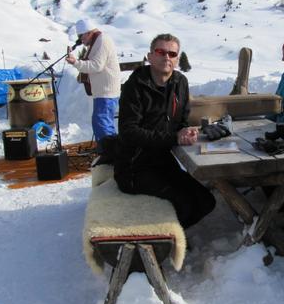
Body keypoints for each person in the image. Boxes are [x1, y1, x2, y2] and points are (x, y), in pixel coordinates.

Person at [113, 33, 216, 230]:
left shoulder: (180, 83)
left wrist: (186, 131)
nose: (166, 57)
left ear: (177, 59)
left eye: (172, 53)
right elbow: (128, 132)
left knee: (206, 201)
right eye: (160, 52)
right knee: (185, 203)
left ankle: (169, 236)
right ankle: (160, 243)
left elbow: (182, 120)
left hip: (163, 163)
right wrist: (174, 137)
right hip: (134, 168)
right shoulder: (134, 86)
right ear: (150, 56)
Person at [67, 19, 121, 150]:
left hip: (107, 90)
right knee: (100, 121)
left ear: (88, 32)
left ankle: (110, 153)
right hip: (103, 90)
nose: (81, 40)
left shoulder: (102, 40)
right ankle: (107, 151)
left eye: (81, 36)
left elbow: (97, 65)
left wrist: (76, 62)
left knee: (102, 122)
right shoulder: (98, 41)